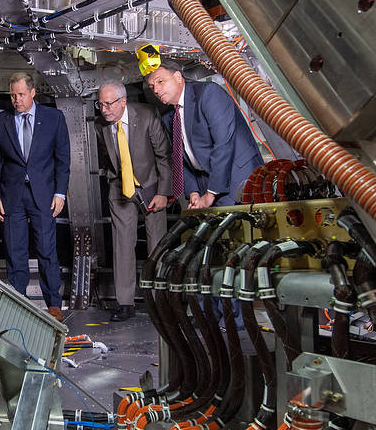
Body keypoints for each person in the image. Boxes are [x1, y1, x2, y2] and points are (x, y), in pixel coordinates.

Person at [0, 72, 70, 321]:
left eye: (21, 94)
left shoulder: (54, 118)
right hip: (12, 196)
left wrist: (59, 193)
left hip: (44, 195)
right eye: (13, 95)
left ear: (33, 92)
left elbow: (63, 159)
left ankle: (53, 305)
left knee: (47, 249)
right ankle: (18, 303)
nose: (17, 100)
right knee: (15, 251)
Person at [95, 81, 170, 321]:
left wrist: (163, 192)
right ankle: (125, 303)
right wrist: (113, 180)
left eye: (108, 104)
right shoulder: (100, 126)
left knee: (156, 243)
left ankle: (159, 301)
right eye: (100, 104)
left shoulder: (147, 115)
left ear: (123, 101)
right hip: (120, 188)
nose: (104, 109)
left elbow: (164, 156)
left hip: (151, 185)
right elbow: (109, 157)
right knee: (122, 244)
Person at [147, 61, 263, 208]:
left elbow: (223, 144)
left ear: (177, 77)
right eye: (152, 87)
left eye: (160, 81)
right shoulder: (169, 117)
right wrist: (193, 192)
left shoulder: (208, 93)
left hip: (237, 179)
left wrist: (210, 194)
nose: (156, 90)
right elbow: (180, 158)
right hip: (206, 184)